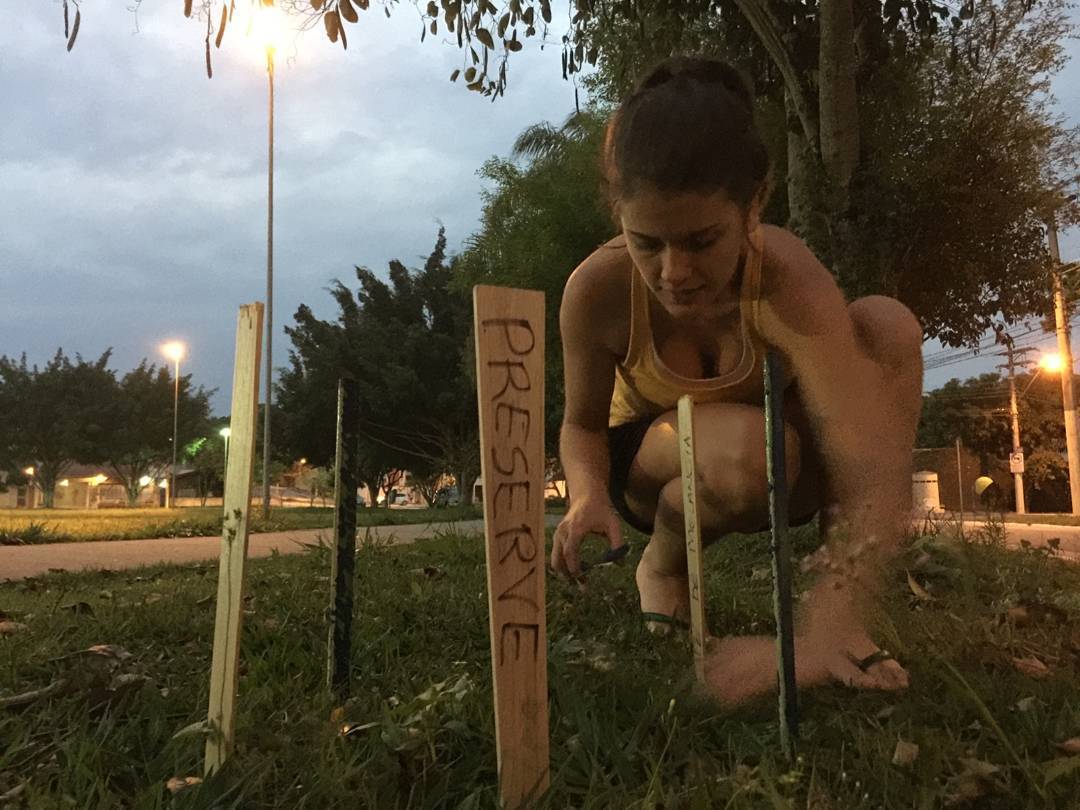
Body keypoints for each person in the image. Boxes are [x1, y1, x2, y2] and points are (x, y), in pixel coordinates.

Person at [551, 55, 923, 707]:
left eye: (701, 241)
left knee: (887, 326)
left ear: (755, 205)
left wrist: (824, 627)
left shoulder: (789, 279)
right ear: (618, 216)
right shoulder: (595, 291)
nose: (673, 274)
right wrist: (585, 497)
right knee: (749, 446)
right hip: (656, 470)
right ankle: (662, 566)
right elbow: (582, 425)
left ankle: (844, 623)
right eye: (647, 243)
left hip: (785, 461)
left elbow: (870, 458)